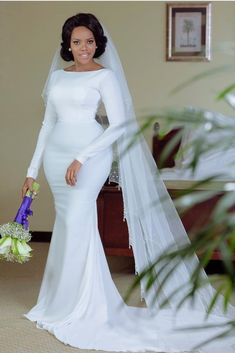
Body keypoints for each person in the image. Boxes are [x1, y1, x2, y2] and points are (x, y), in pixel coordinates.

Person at [22, 13, 235, 352]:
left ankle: (81, 307)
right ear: (67, 45)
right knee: (67, 225)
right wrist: (32, 170)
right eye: (77, 42)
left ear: (97, 44)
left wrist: (82, 157)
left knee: (78, 222)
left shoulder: (104, 77)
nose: (83, 48)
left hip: (89, 157)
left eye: (89, 42)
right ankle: (57, 302)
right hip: (55, 159)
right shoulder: (59, 78)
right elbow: (47, 126)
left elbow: (119, 127)